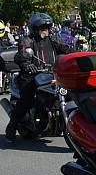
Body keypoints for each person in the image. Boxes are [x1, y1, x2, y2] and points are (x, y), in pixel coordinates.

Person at [6, 13, 75, 142]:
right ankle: (12, 125)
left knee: (71, 92)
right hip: (31, 76)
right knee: (26, 99)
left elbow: (67, 50)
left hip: (50, 75)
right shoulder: (27, 41)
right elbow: (21, 54)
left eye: (47, 28)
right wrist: (27, 64)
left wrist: (77, 55)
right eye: (43, 28)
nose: (46, 31)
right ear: (35, 28)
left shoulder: (52, 40)